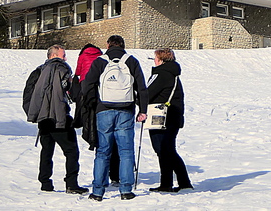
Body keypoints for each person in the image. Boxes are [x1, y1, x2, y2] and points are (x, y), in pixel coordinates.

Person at [80, 35, 148, 201]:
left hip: (103, 110)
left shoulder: (100, 61)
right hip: (126, 110)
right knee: (125, 152)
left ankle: (97, 192)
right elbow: (142, 88)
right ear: (123, 45)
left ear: (108, 45)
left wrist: (93, 104)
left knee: (103, 152)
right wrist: (143, 110)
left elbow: (86, 84)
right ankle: (126, 190)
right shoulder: (131, 61)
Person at [23, 45, 87, 195]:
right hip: (60, 118)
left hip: (43, 119)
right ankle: (71, 183)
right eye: (63, 55)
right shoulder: (62, 69)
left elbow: (28, 94)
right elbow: (70, 91)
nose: (65, 58)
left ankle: (45, 183)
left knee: (46, 150)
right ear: (53, 56)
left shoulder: (38, 71)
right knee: (71, 151)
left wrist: (35, 113)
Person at [145, 48, 193, 193]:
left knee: (165, 150)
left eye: (155, 58)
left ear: (160, 59)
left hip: (163, 116)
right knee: (166, 150)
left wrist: (137, 100)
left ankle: (179, 182)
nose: (154, 61)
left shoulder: (162, 74)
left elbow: (148, 93)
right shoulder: (172, 74)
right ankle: (170, 182)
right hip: (173, 116)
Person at [72, 43, 120, 186]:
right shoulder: (102, 57)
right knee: (112, 139)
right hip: (103, 96)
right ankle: (115, 175)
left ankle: (101, 177)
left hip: (88, 97)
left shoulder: (82, 56)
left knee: (99, 139)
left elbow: (78, 74)